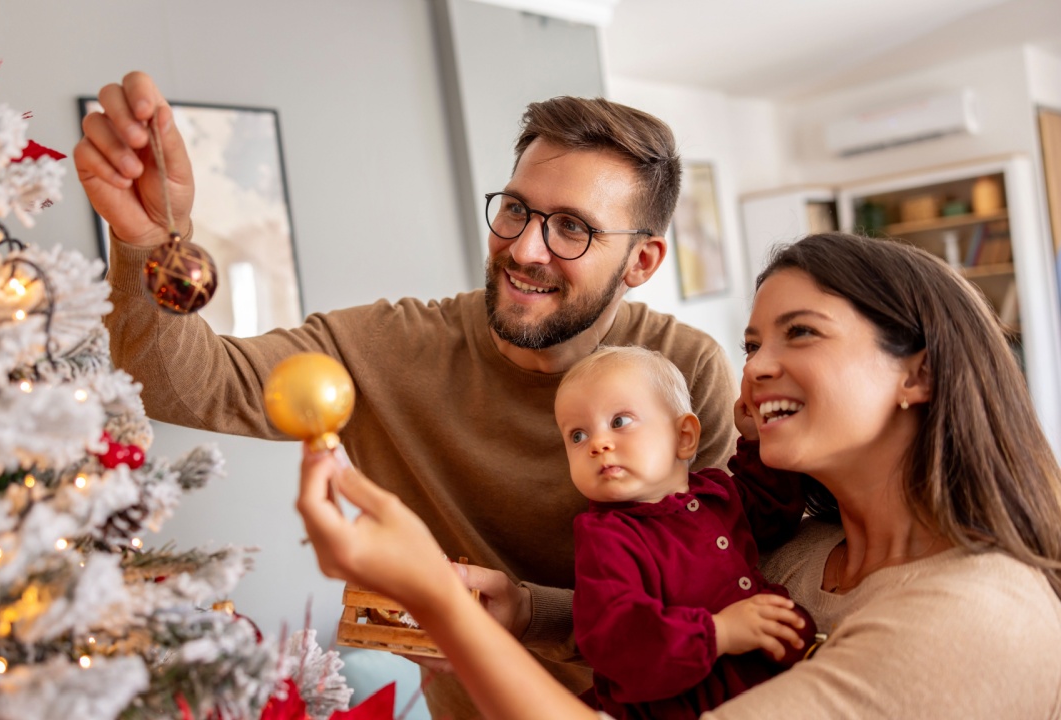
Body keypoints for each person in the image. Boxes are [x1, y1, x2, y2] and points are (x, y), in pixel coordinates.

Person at [75, 73, 740, 718]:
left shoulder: (684, 371)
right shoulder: (386, 349)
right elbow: (179, 386)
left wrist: (524, 612)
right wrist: (150, 241)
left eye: (572, 227)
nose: (525, 248)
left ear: (642, 262)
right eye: (515, 210)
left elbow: (722, 591)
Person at [297, 232, 1061, 719]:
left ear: (919, 375)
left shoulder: (975, 619)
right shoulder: (799, 548)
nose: (757, 367)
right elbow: (684, 591)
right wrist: (526, 611)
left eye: (801, 334)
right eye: (754, 341)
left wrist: (441, 604)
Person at [557, 346, 816, 719]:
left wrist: (755, 440)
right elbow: (617, 635)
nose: (598, 444)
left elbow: (773, 510)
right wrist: (720, 632)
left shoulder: (716, 493)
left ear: (684, 437)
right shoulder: (606, 536)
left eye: (619, 422)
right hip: (680, 702)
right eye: (577, 435)